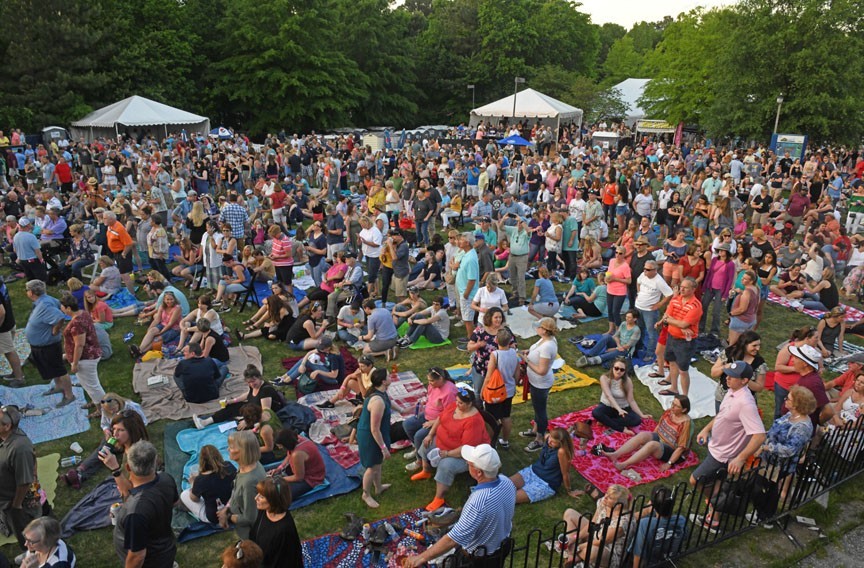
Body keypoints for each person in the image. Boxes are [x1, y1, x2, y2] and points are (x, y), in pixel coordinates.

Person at [405, 444, 516, 568]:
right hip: (502, 545)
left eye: (470, 463)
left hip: (481, 558)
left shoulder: (478, 502)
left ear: (479, 472)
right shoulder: (506, 481)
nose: (467, 463)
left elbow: (453, 539)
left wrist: (420, 557)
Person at [690, 361, 766, 532]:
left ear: (745, 380)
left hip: (723, 454)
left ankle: (715, 505)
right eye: (728, 375)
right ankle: (714, 517)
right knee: (717, 482)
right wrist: (706, 429)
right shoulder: (732, 391)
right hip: (717, 446)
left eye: (733, 376)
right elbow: (722, 415)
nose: (727, 378)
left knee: (695, 480)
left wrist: (740, 458)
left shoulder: (746, 404)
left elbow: (760, 435)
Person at [410, 385, 490, 512]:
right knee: (426, 445)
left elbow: (466, 448)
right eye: (457, 401)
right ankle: (426, 471)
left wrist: (447, 453)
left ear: (469, 404)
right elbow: (440, 418)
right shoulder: (454, 406)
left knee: (445, 466)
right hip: (444, 442)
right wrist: (430, 434)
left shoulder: (473, 421)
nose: (457, 404)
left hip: (464, 454)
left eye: (461, 403)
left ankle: (439, 498)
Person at [112, 441, 178, 568]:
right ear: (155, 462)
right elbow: (175, 502)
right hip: (166, 549)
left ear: (128, 467)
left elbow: (137, 556)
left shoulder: (135, 511)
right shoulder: (166, 479)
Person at [599, 394, 692, 471]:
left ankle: (623, 465)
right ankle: (615, 454)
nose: (672, 407)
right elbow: (659, 426)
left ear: (684, 410)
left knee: (652, 445)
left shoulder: (686, 424)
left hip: (673, 451)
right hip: (661, 439)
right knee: (643, 435)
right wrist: (650, 437)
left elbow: (681, 448)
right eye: (672, 403)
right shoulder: (669, 412)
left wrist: (669, 463)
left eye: (676, 406)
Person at [25, 280, 75, 407]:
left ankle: (69, 395)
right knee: (53, 369)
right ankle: (58, 386)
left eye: (27, 290)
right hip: (43, 344)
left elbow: (60, 317)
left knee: (59, 369)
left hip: (48, 345)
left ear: (31, 292)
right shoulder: (45, 300)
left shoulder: (45, 305)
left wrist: (56, 329)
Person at [559, 484, 632, 568]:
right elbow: (592, 524)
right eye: (606, 493)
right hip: (596, 535)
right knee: (569, 513)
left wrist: (578, 547)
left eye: (610, 497)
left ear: (618, 505)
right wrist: (575, 537)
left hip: (609, 550)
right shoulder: (603, 503)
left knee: (590, 552)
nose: (605, 497)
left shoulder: (622, 522)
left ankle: (574, 554)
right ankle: (573, 552)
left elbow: (602, 541)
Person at [0, 406, 40, 550]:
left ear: (7, 426)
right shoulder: (5, 435)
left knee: (26, 533)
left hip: (17, 501)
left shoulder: (19, 448)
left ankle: (34, 554)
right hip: (5, 497)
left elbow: (24, 483)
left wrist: (16, 506)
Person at [194, 365, 283, 430]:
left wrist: (248, 421)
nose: (251, 384)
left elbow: (265, 412)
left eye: (253, 381)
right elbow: (247, 394)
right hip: (252, 408)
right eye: (249, 382)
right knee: (230, 407)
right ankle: (205, 422)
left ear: (259, 378)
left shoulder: (265, 391)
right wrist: (232, 401)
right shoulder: (253, 386)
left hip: (260, 416)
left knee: (241, 427)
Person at [59, 293, 106, 411]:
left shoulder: (77, 323)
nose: (61, 309)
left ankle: (102, 410)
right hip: (92, 352)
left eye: (62, 307)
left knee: (92, 386)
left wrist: (75, 363)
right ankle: (95, 402)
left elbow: (79, 345)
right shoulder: (83, 313)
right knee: (89, 384)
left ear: (68, 308)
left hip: (85, 358)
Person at [657, 277, 703, 397]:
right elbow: (666, 316)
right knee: (672, 363)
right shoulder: (675, 300)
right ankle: (674, 388)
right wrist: (679, 324)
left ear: (693, 289)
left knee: (683, 370)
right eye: (681, 287)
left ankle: (685, 396)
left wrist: (672, 321)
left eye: (685, 288)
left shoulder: (695, 306)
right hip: (672, 337)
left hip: (685, 342)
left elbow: (683, 324)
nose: (681, 289)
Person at [217, 431, 267, 539]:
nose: (228, 449)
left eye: (231, 447)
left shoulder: (249, 482)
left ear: (243, 452)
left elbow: (250, 518)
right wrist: (227, 508)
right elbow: (236, 490)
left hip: (251, 535)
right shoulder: (247, 465)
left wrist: (228, 516)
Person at [510, 427, 580, 504]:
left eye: (553, 442)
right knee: (503, 485)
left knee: (509, 498)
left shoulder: (561, 452)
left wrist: (569, 491)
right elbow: (552, 435)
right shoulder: (547, 437)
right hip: (532, 471)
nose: (549, 442)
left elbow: (565, 473)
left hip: (545, 483)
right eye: (550, 438)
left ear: (561, 444)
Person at [520, 317, 559, 452]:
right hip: (536, 382)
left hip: (540, 384)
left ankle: (539, 439)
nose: (536, 328)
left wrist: (526, 360)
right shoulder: (546, 340)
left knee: (540, 411)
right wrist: (529, 352)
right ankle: (535, 430)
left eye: (539, 326)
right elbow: (538, 352)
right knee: (537, 408)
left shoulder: (548, 346)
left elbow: (542, 371)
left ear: (544, 330)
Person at [249, 477, 303, 568]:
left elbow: (283, 562)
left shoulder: (284, 530)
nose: (255, 498)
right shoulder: (263, 511)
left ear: (273, 500)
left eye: (261, 497)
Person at [357, 368, 392, 508]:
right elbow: (374, 429)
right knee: (372, 466)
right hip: (370, 436)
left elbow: (390, 403)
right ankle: (365, 494)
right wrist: (383, 448)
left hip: (379, 433)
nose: (391, 376)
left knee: (378, 463)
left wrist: (404, 410)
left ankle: (378, 487)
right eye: (389, 375)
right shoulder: (377, 401)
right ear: (383, 381)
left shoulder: (382, 393)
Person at [629, 485, 688, 568]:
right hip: (669, 560)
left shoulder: (645, 524)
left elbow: (638, 553)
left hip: (650, 563)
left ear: (652, 504)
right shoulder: (681, 520)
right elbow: (684, 537)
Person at [589, 357, 650, 433]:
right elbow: (608, 396)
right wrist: (619, 409)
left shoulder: (627, 381)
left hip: (623, 408)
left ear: (625, 371)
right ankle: (621, 429)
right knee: (596, 412)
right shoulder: (604, 378)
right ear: (612, 368)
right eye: (616, 368)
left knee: (636, 420)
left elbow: (631, 400)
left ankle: (605, 421)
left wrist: (641, 414)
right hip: (607, 406)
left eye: (622, 370)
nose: (618, 371)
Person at [180, 445, 237, 525]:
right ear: (219, 455)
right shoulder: (229, 466)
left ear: (201, 461)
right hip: (232, 508)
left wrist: (193, 483)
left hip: (215, 517)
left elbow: (194, 499)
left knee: (184, 494)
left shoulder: (201, 480)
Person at [269, 427, 326, 500]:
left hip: (311, 478)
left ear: (286, 444)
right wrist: (280, 468)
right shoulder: (296, 439)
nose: (280, 448)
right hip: (303, 469)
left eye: (280, 446)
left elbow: (299, 477)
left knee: (279, 497)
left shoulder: (297, 454)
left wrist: (279, 479)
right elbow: (289, 455)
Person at [576, 310, 642, 367]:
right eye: (626, 316)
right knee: (607, 336)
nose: (626, 318)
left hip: (625, 350)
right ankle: (590, 354)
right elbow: (616, 335)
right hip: (618, 345)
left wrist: (615, 349)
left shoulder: (636, 330)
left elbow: (628, 346)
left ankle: (594, 360)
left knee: (619, 351)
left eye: (629, 317)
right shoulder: (623, 324)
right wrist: (618, 345)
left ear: (635, 319)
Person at [129, 291, 182, 358]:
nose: (169, 301)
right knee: (152, 331)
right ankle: (139, 350)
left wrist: (161, 332)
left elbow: (170, 323)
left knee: (157, 339)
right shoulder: (162, 306)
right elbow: (157, 319)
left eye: (171, 299)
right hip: (163, 324)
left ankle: (140, 351)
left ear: (174, 299)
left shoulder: (177, 308)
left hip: (174, 328)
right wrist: (149, 328)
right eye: (167, 299)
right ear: (164, 300)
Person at [0, 279, 25, 386]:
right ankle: (16, 372)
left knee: (9, 352)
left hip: (3, 328)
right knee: (9, 351)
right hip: (10, 321)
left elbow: (1, 312)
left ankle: (19, 378)